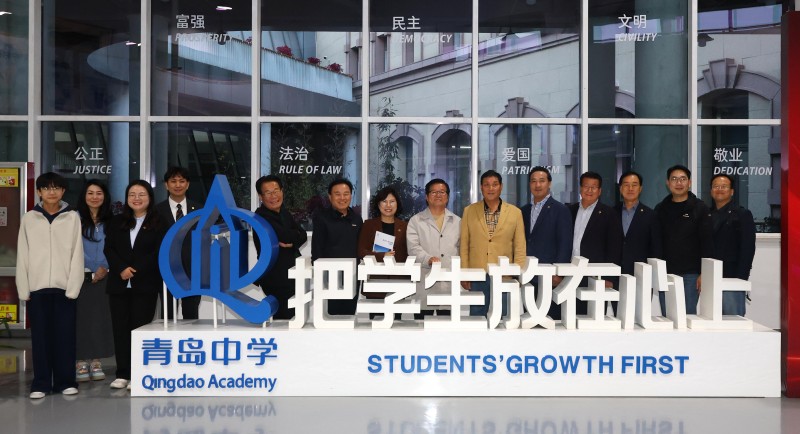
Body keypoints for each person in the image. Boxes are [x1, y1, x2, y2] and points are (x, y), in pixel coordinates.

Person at [16, 172, 84, 399]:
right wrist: (23, 288)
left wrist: (73, 287)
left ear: (63, 191)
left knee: (65, 337)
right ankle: (41, 383)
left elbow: (77, 255)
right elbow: (22, 255)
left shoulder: (72, 217)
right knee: (40, 339)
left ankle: (66, 381)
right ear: (39, 192)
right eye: (46, 188)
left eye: (56, 188)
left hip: (65, 289)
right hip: (37, 289)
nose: (51, 192)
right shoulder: (29, 218)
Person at [104, 180, 164, 390]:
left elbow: (158, 251)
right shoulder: (117, 221)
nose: (136, 198)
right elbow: (109, 248)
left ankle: (138, 373)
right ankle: (122, 373)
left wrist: (135, 269)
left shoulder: (159, 221)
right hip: (119, 284)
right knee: (120, 330)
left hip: (145, 284)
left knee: (140, 330)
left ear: (149, 198)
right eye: (132, 194)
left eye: (141, 194)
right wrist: (121, 268)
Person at [460, 170, 526, 317]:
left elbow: (520, 246)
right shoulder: (469, 211)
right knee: (477, 316)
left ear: (501, 186)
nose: (491, 188)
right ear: (481, 188)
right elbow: (464, 245)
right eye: (486, 185)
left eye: (495, 184)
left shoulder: (515, 212)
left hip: (505, 273)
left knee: (505, 316)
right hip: (477, 273)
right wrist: (464, 273)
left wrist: (518, 273)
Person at [654, 165, 713, 315]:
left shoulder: (700, 208)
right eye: (674, 179)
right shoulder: (660, 209)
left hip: (691, 275)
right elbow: (656, 242)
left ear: (689, 182)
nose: (679, 183)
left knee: (687, 317)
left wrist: (704, 272)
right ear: (668, 183)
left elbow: (707, 242)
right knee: (668, 317)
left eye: (683, 179)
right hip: (665, 273)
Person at [74, 180, 115, 382]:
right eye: (90, 193)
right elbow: (71, 246)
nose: (95, 197)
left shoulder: (112, 221)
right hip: (79, 276)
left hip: (104, 276)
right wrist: (89, 266)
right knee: (81, 319)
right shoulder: (74, 219)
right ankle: (81, 361)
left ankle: (96, 361)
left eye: (99, 193)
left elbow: (115, 246)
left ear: (105, 196)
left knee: (100, 319)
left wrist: (104, 267)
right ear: (84, 196)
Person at [519, 166, 572, 319]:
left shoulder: (560, 210)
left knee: (550, 320)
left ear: (549, 183)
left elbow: (565, 244)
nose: (537, 185)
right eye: (533, 181)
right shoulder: (523, 211)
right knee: (529, 318)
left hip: (550, 276)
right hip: (528, 274)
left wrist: (558, 272)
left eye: (542, 181)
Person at [568, 171, 623, 316]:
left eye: (594, 187)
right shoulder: (569, 211)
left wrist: (609, 278)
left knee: (593, 318)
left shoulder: (609, 214)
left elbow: (615, 248)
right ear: (580, 188)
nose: (589, 190)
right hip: (570, 273)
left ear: (600, 191)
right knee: (570, 316)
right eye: (586, 186)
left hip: (596, 276)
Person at [253, 175, 308, 320]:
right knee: (283, 321)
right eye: (268, 193)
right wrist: (293, 236)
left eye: (276, 191)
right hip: (275, 277)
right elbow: (286, 236)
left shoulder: (283, 212)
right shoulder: (261, 217)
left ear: (282, 191)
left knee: (294, 319)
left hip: (291, 274)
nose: (274, 196)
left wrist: (292, 241)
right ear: (261, 196)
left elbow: (303, 235)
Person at [406, 179, 460, 319]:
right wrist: (428, 259)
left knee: (446, 326)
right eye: (434, 192)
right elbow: (413, 248)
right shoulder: (415, 221)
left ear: (447, 196)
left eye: (442, 192)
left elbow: (462, 249)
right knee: (422, 325)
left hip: (448, 282)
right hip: (425, 281)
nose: (438, 195)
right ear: (426, 196)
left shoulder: (457, 221)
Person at [311, 178, 363, 315]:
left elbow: (360, 246)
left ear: (351, 195)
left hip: (352, 275)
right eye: (337, 194)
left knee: (349, 314)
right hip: (330, 275)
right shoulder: (322, 218)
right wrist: (319, 273)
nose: (342, 198)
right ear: (330, 196)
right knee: (332, 315)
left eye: (346, 194)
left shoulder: (357, 219)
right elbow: (317, 248)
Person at [155, 167, 201, 320]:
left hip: (193, 271)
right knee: (167, 317)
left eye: (182, 181)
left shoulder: (199, 209)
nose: (178, 185)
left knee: (191, 317)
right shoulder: (156, 211)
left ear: (188, 184)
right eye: (173, 181)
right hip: (166, 271)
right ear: (166, 185)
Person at [614, 171, 662, 314]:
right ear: (620, 188)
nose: (630, 188)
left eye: (634, 185)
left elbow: (656, 248)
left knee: (640, 317)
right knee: (618, 317)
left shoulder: (651, 215)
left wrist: (653, 276)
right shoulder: (611, 213)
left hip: (641, 275)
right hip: (616, 274)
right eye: (626, 185)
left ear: (640, 188)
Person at [357, 186, 408, 319]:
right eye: (384, 201)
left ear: (397, 204)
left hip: (398, 282)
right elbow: (361, 251)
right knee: (376, 323)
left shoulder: (405, 226)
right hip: (376, 282)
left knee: (396, 323)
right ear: (378, 204)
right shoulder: (369, 225)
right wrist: (381, 255)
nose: (388, 205)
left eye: (392, 201)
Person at [709, 174, 756, 316]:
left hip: (732, 276)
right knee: (712, 320)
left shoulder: (742, 214)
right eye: (716, 186)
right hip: (711, 276)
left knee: (733, 320)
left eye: (724, 186)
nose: (719, 189)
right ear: (711, 191)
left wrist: (740, 279)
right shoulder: (707, 214)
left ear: (732, 191)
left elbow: (748, 248)